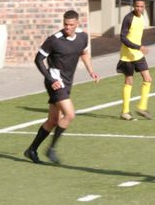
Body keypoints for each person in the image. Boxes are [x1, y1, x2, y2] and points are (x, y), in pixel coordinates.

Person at [24, 10, 99, 165]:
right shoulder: (54, 40)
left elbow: (83, 53)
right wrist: (50, 79)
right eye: (65, 24)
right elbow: (38, 60)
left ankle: (31, 150)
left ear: (77, 24)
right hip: (55, 81)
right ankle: (51, 149)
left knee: (52, 120)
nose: (67, 27)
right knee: (70, 114)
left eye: (71, 25)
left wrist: (91, 71)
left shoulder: (83, 37)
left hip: (67, 82)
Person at [117, 0, 154, 120]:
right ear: (133, 6)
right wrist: (138, 47)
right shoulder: (128, 18)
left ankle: (141, 107)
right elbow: (123, 37)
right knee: (129, 81)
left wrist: (139, 49)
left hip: (138, 55)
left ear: (144, 7)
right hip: (127, 55)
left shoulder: (142, 17)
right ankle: (125, 112)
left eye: (141, 6)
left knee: (148, 79)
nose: (139, 8)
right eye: (137, 6)